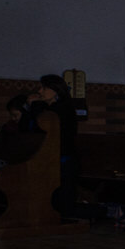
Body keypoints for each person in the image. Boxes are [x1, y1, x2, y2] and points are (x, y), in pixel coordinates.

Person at [27, 73, 78, 217]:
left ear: (55, 90)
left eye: (44, 88)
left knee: (62, 197)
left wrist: (35, 105)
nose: (40, 91)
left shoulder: (62, 109)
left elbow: (43, 125)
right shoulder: (48, 108)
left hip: (61, 157)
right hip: (46, 156)